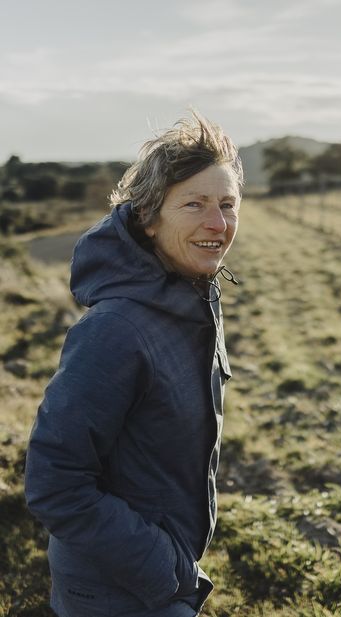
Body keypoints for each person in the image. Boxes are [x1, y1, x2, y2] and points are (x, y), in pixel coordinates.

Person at [24, 112, 242, 617]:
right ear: (149, 217)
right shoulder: (114, 331)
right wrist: (165, 568)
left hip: (156, 576)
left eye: (228, 205)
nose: (218, 223)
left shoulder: (192, 301)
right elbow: (54, 483)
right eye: (195, 204)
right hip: (114, 592)